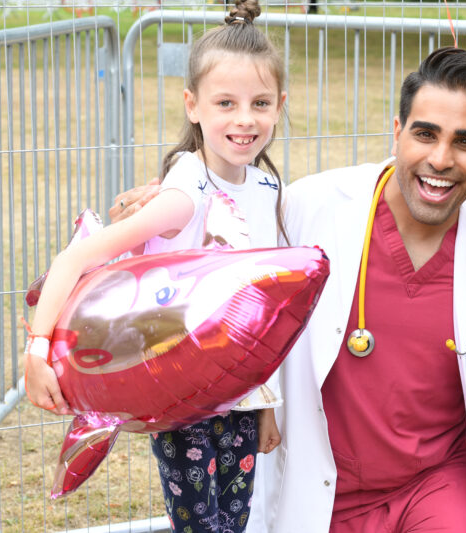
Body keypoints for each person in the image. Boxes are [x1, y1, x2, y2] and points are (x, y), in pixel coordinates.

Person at [113, 49, 466, 532]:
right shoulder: (309, 209)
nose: (440, 159)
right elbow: (223, 241)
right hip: (323, 483)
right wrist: (163, 213)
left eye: (465, 141)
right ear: (396, 131)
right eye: (425, 134)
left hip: (437, 484)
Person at [23, 1, 286, 531]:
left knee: (233, 523)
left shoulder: (267, 189)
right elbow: (77, 258)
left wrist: (266, 405)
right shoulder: (184, 192)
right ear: (192, 105)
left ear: (280, 104)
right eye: (225, 102)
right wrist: (36, 350)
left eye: (260, 103)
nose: (245, 119)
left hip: (239, 401)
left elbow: (258, 309)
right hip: (181, 396)